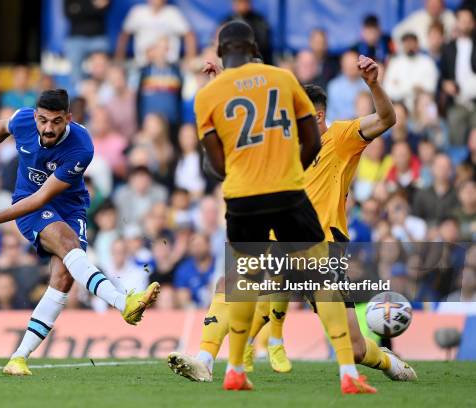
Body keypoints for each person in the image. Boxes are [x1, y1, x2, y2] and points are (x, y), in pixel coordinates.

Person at [170, 52, 415, 389]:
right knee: (229, 284)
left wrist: (374, 85)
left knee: (356, 349)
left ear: (317, 115)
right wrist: (221, 80)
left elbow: (386, 119)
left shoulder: (341, 137)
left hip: (325, 243)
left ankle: (385, 360)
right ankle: (206, 360)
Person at [187, 20, 372, 393]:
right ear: (255, 47)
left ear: (221, 52)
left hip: (241, 197)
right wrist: (291, 168)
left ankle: (235, 369)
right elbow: (310, 140)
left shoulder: (207, 95)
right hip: (286, 192)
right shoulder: (284, 79)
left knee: (242, 283)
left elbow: (216, 165)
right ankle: (348, 375)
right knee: (321, 278)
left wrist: (242, 166)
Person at [0, 89, 160, 376]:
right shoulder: (22, 120)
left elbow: (44, 197)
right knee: (70, 246)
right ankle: (124, 302)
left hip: (67, 208)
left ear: (68, 118)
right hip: (27, 206)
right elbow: (0, 129)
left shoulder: (81, 146)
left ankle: (18, 358)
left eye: (56, 121)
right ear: (35, 116)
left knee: (63, 277)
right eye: (42, 120)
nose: (48, 128)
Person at [115, 0, 196, 66]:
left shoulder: (172, 13)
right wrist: (119, 59)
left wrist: (189, 59)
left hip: (169, 66)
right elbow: (124, 36)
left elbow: (189, 35)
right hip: (143, 65)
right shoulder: (137, 12)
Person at [440, 6, 476, 146]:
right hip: (456, 102)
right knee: (454, 132)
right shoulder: (448, 48)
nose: (465, 24)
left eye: (468, 21)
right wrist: (445, 84)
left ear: (473, 23)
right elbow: (442, 77)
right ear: (456, 22)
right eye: (462, 20)